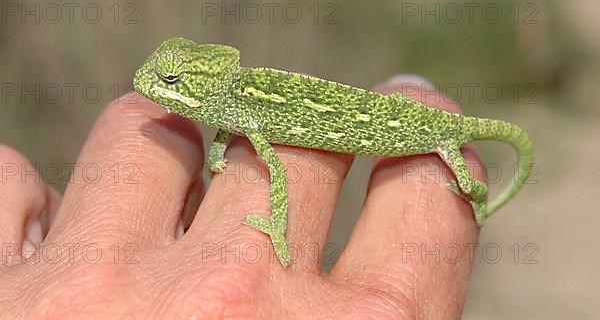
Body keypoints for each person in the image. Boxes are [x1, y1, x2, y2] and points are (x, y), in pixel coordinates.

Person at [0, 75, 485, 318]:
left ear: (204, 85)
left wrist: (277, 224)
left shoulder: (233, 104)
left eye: (173, 82)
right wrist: (217, 148)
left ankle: (476, 192)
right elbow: (227, 124)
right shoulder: (223, 106)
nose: (155, 89)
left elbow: (273, 166)